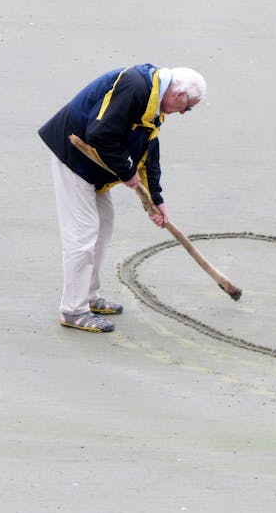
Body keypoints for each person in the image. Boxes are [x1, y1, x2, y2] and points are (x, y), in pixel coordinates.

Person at [39, 64, 206, 332]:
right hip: (73, 157)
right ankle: (73, 310)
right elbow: (99, 133)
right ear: (179, 95)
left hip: (94, 166)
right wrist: (127, 173)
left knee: (104, 224)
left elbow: (148, 151)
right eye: (188, 107)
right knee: (82, 234)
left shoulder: (154, 102)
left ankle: (89, 297)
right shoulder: (136, 86)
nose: (184, 113)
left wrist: (155, 200)